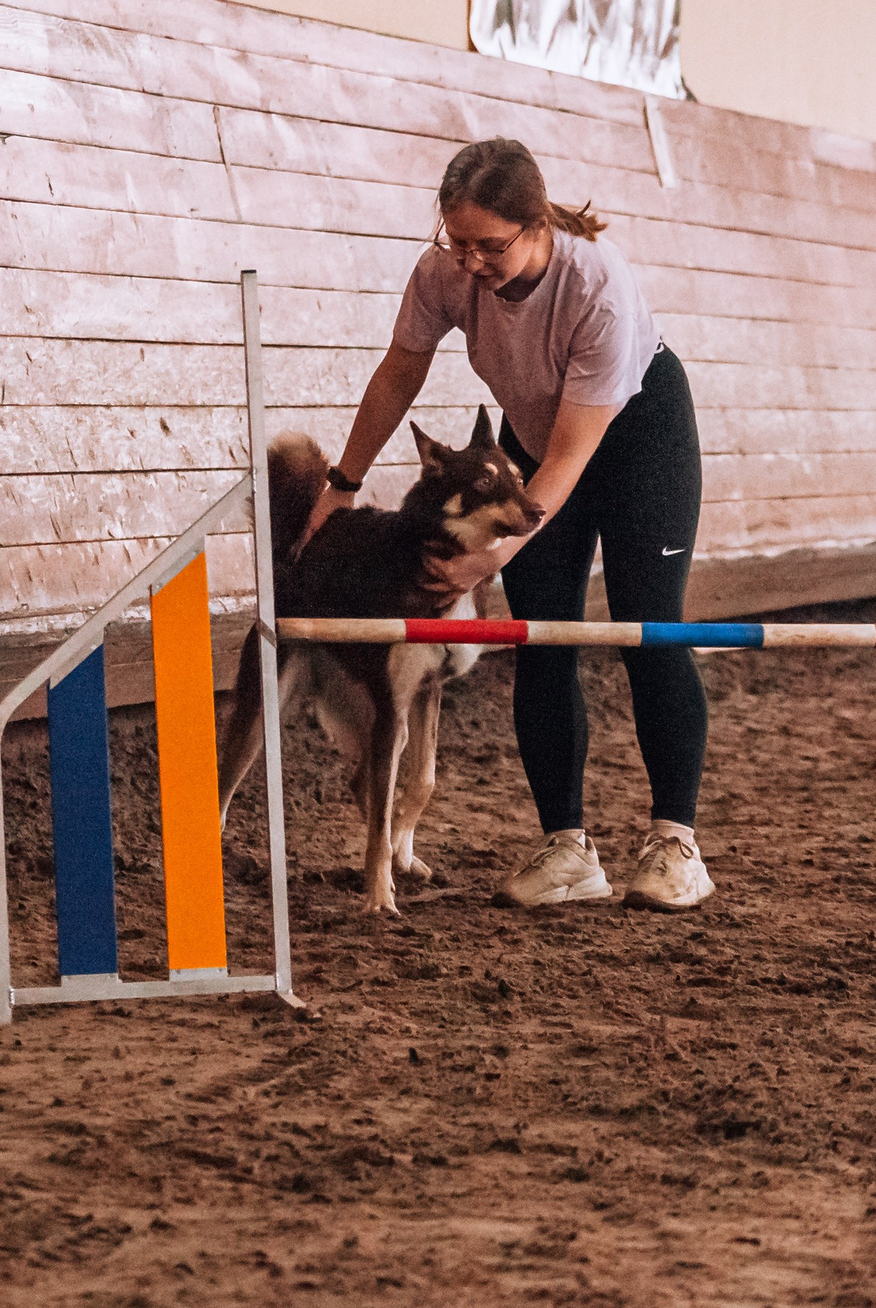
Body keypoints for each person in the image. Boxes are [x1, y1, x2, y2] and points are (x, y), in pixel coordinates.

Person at [303, 138, 714, 912]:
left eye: (488, 246)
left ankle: (675, 842)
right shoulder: (445, 273)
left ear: (536, 227)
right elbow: (400, 371)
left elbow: (563, 465)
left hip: (635, 436)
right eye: (456, 242)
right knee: (541, 637)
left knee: (647, 627)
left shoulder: (598, 286)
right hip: (534, 430)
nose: (469, 262)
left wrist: (482, 560)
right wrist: (344, 482)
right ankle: (567, 846)